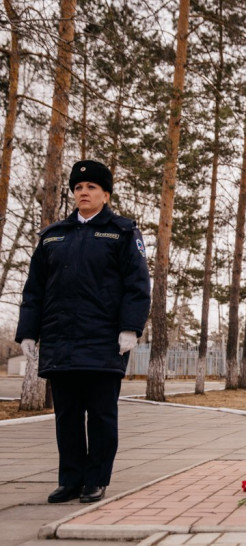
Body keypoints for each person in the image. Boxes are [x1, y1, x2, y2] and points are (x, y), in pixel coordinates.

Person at [16, 160, 151, 504]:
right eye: (78, 188)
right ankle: (71, 480)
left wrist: (130, 328)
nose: (84, 192)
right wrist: (28, 332)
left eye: (91, 187)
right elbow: (34, 289)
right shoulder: (52, 236)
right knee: (67, 416)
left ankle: (96, 479)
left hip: (104, 340)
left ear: (106, 194)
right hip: (61, 340)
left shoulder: (122, 232)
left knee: (101, 415)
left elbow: (137, 285)